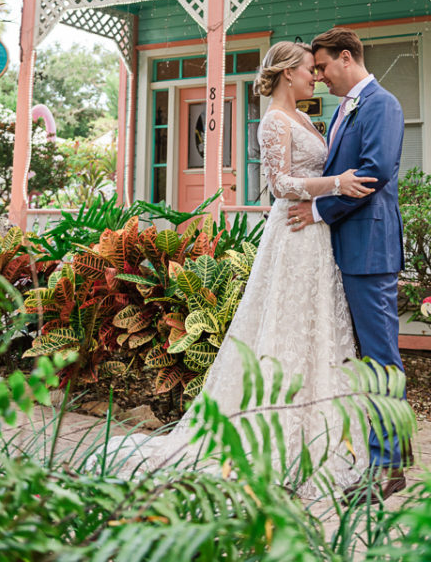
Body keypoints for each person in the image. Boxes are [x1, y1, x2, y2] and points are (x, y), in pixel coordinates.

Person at [101, 41, 373, 490]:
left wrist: (331, 193)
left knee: (317, 327)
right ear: (288, 73)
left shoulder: (305, 117)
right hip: (292, 238)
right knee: (283, 328)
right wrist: (336, 183)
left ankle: (324, 430)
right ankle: (274, 432)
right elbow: (279, 183)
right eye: (310, 69)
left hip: (316, 236)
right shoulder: (273, 121)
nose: (316, 76)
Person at [286, 28, 408, 502]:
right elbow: (339, 175)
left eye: (322, 67)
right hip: (342, 248)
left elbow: (375, 172)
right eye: (313, 71)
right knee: (362, 360)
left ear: (345, 57)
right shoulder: (343, 110)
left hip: (369, 249)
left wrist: (317, 210)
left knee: (380, 360)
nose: (319, 76)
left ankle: (388, 465)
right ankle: (380, 450)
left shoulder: (382, 104)